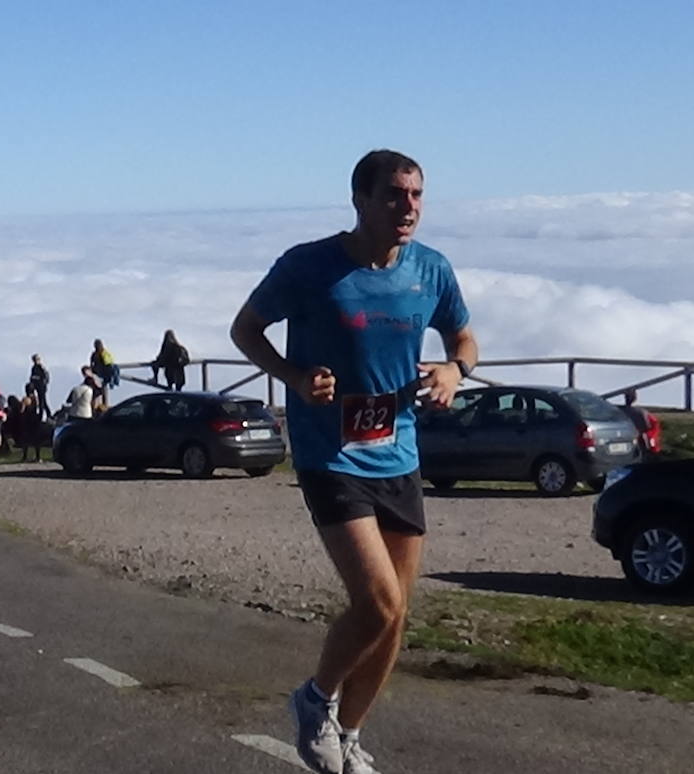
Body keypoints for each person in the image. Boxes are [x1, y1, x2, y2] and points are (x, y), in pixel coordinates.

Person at [231, 149, 477, 774]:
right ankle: (314, 700)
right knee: (378, 602)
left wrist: (454, 368)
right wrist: (292, 375)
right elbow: (246, 329)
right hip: (329, 454)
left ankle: (349, 734)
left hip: (399, 452)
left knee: (395, 619)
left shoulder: (431, 270)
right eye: (395, 194)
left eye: (418, 194)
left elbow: (464, 338)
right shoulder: (310, 266)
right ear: (360, 200)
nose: (409, 207)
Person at [619, 389, 661, 459]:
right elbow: (651, 426)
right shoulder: (643, 413)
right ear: (635, 398)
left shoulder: (619, 412)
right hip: (639, 443)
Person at [20, 382, 45, 462]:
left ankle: (25, 456)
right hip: (36, 419)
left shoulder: (25, 399)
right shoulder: (36, 398)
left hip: (27, 420)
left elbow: (22, 410)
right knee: (36, 440)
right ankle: (38, 456)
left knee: (26, 439)